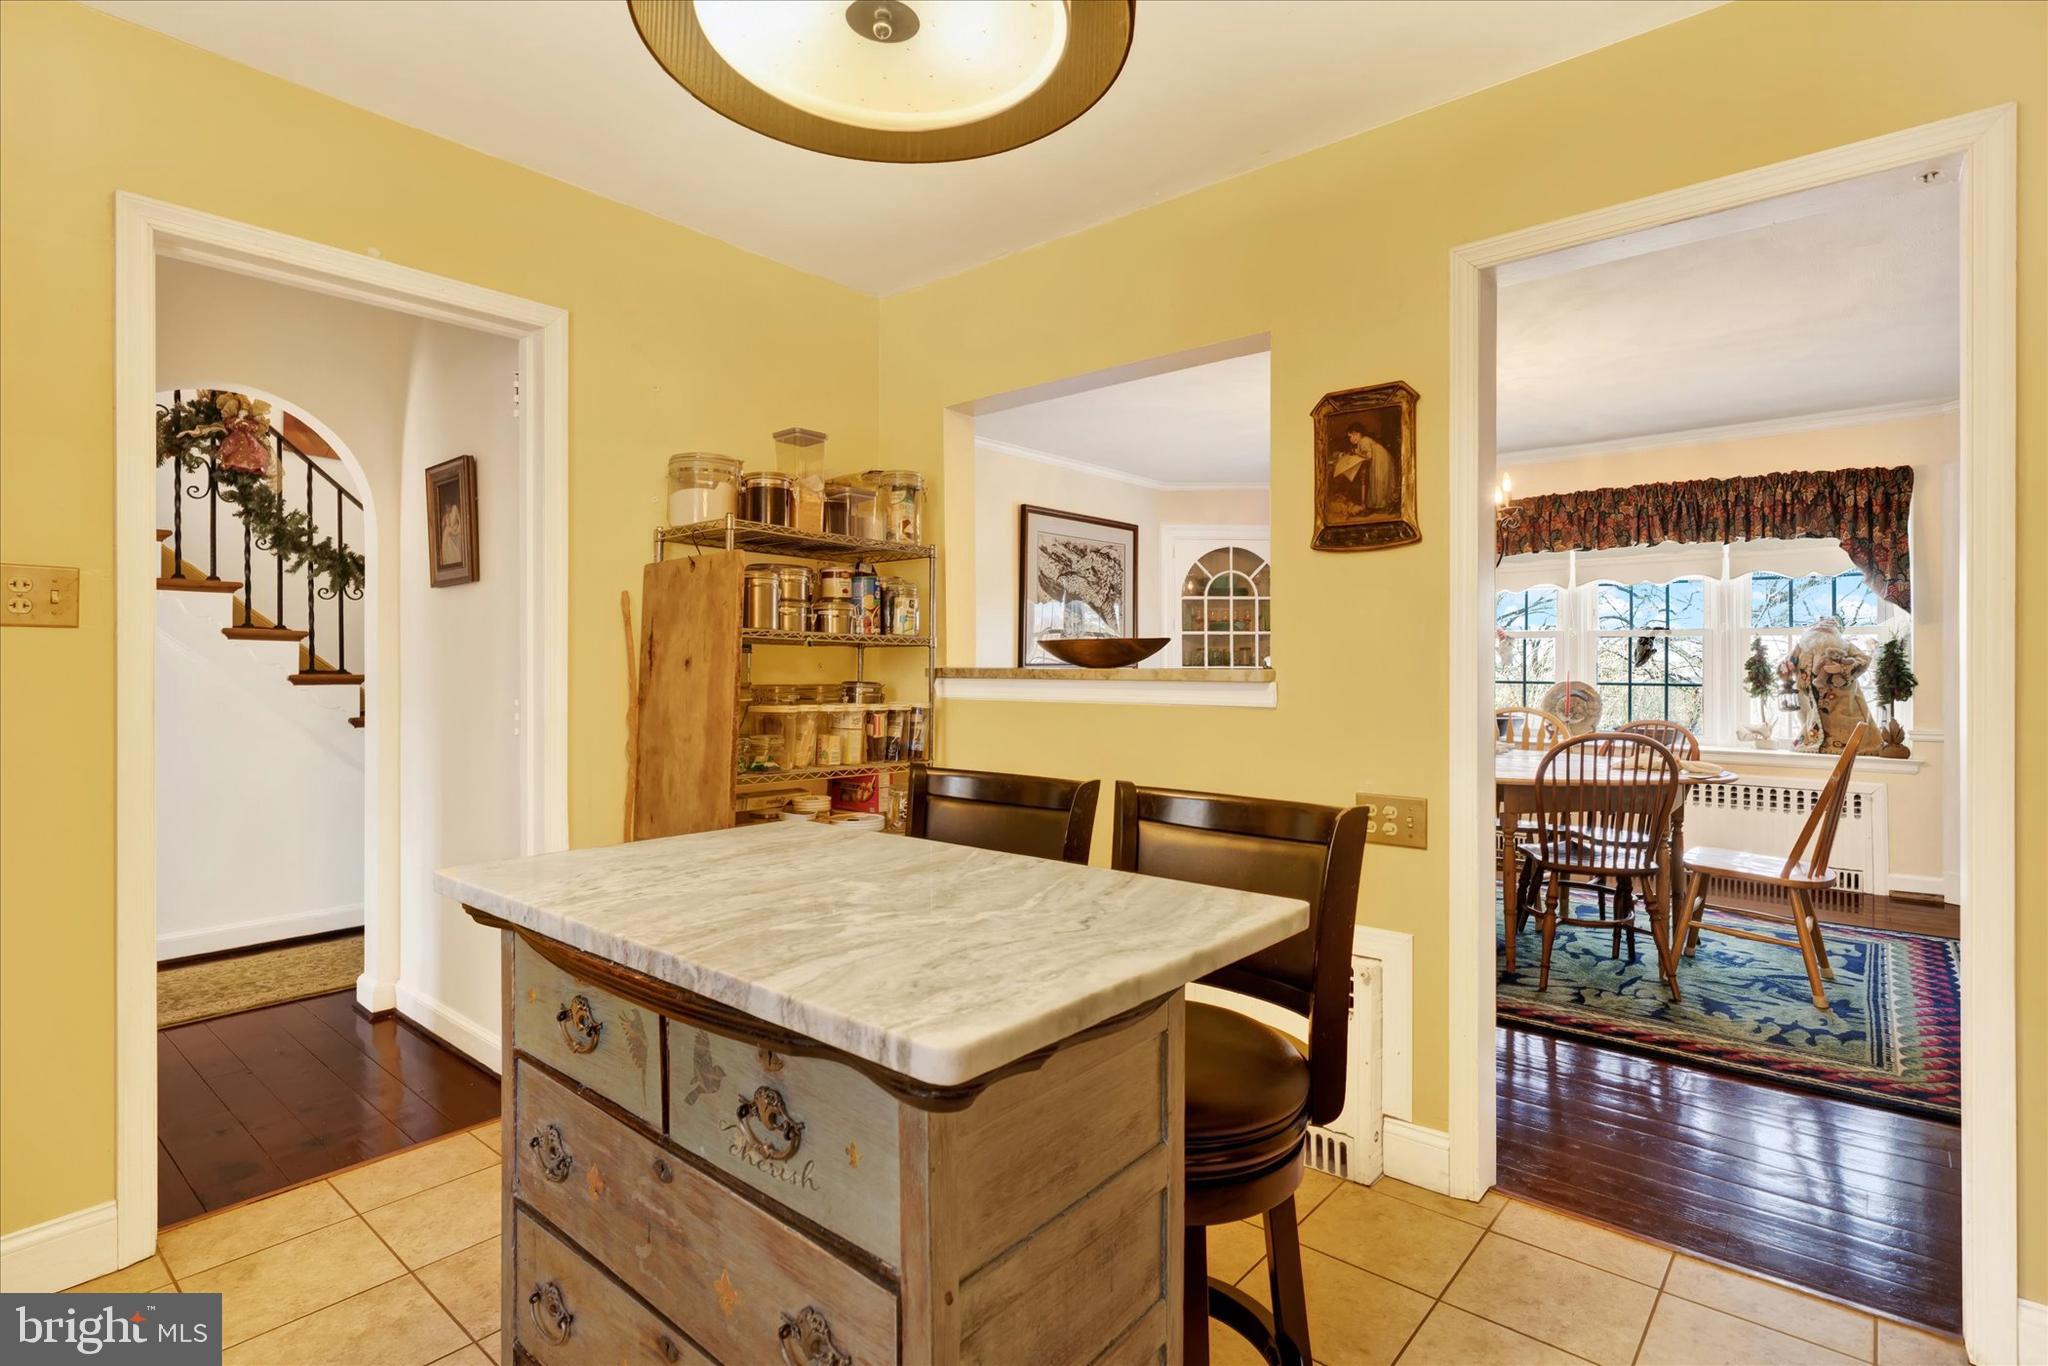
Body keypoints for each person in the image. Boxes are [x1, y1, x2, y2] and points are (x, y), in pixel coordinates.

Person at [1330, 420, 1397, 518]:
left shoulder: (1364, 440)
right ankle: (1381, 505)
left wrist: (1357, 453)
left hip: (1381, 459)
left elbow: (1368, 456)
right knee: (1377, 481)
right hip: (1379, 459)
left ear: (1357, 434)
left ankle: (1383, 505)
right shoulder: (1362, 441)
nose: (1350, 439)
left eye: (1351, 436)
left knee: (1379, 480)